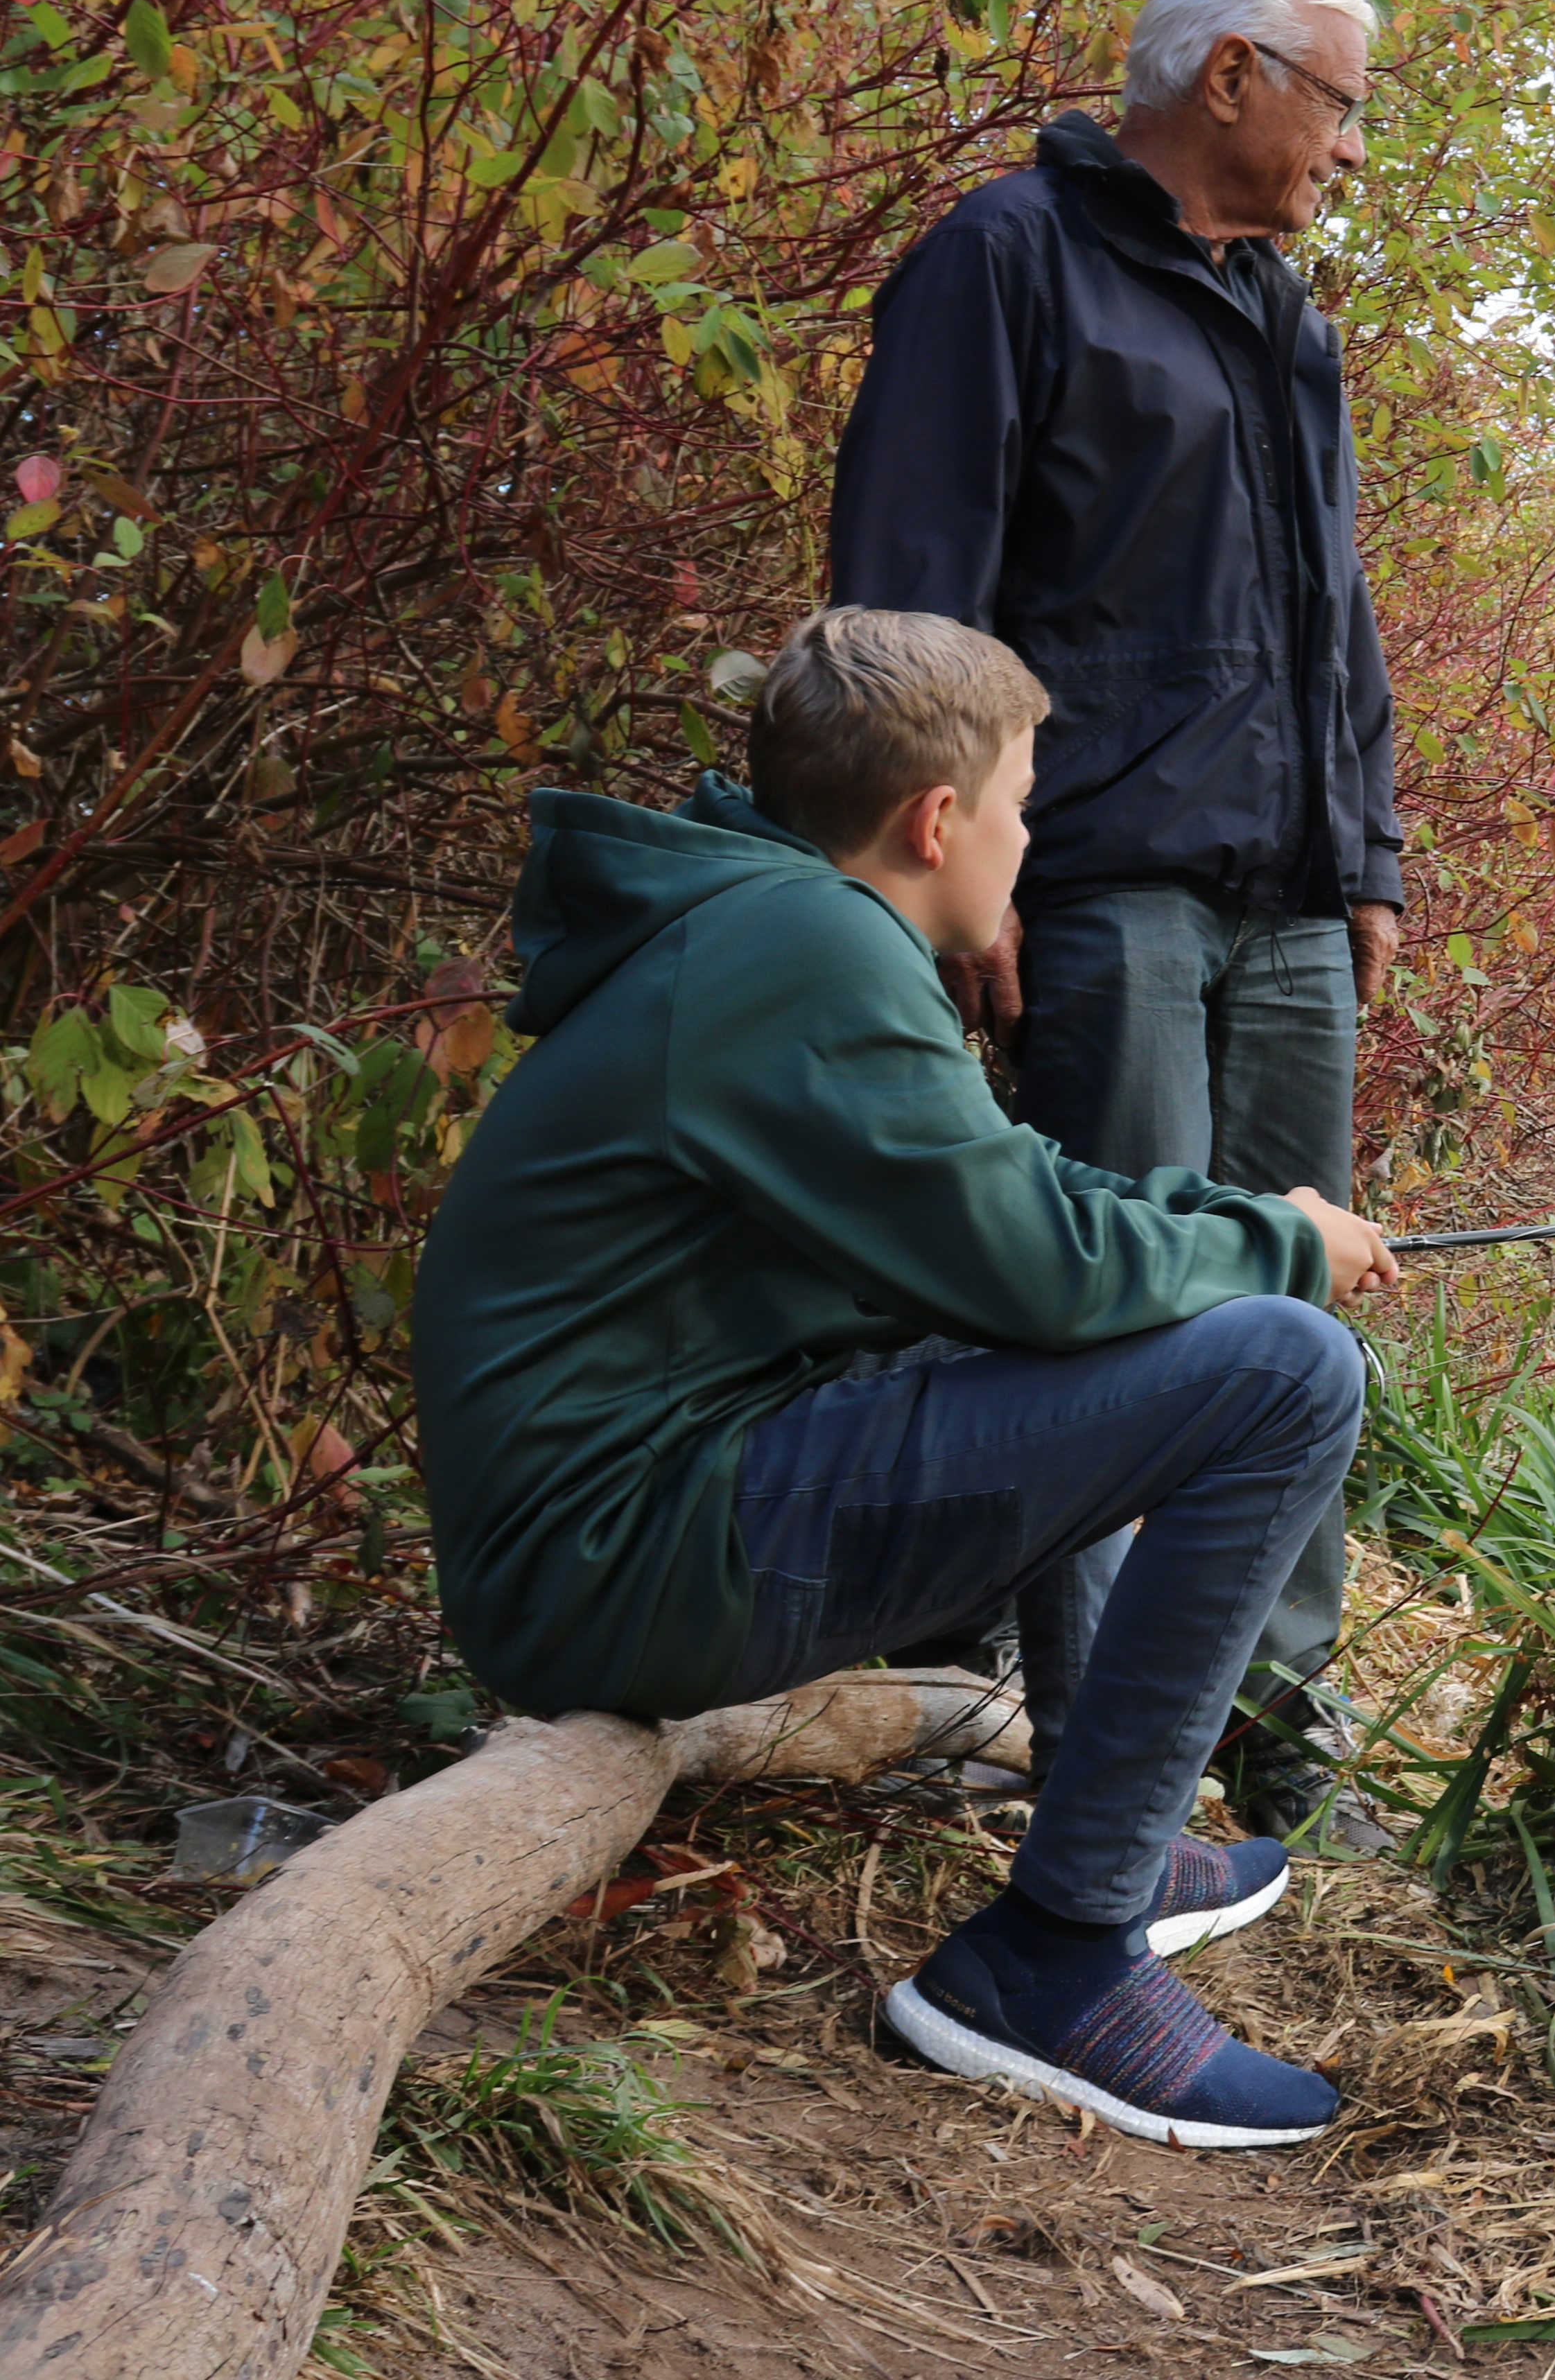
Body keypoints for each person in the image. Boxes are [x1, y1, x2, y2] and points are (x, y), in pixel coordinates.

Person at [412, 610, 1396, 2145]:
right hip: (615, 1558)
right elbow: (1041, 1259)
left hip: (630, 1521)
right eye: (1019, 803)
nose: (1025, 838)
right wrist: (1283, 1246)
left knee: (1127, 1335)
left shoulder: (761, 924)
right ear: (936, 819)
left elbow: (1012, 1205)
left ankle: (1108, 1850)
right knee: (1287, 1370)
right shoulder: (806, 949)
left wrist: (1246, 1224)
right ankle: (1058, 1954)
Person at [824, 0, 1404, 1844]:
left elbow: (1338, 621)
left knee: (1300, 1307)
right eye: (1335, 100)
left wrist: (1366, 863)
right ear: (1230, 78)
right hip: (1103, 897)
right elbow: (912, 604)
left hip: (1290, 906)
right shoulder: (1005, 261)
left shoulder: (1287, 317)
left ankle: (1273, 1730)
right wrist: (953, 889)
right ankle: (1086, 1741)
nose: (1345, 146)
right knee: (1113, 1323)